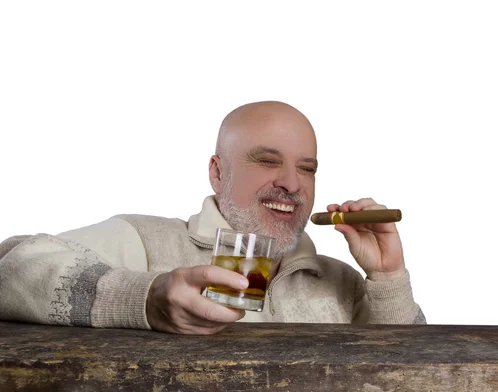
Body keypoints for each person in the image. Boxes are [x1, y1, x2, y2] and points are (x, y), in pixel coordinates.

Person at [0, 101, 426, 335]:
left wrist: (388, 276)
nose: (293, 185)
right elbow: (10, 265)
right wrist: (147, 299)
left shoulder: (343, 283)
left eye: (308, 168)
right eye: (267, 160)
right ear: (217, 172)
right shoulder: (145, 241)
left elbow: (413, 380)